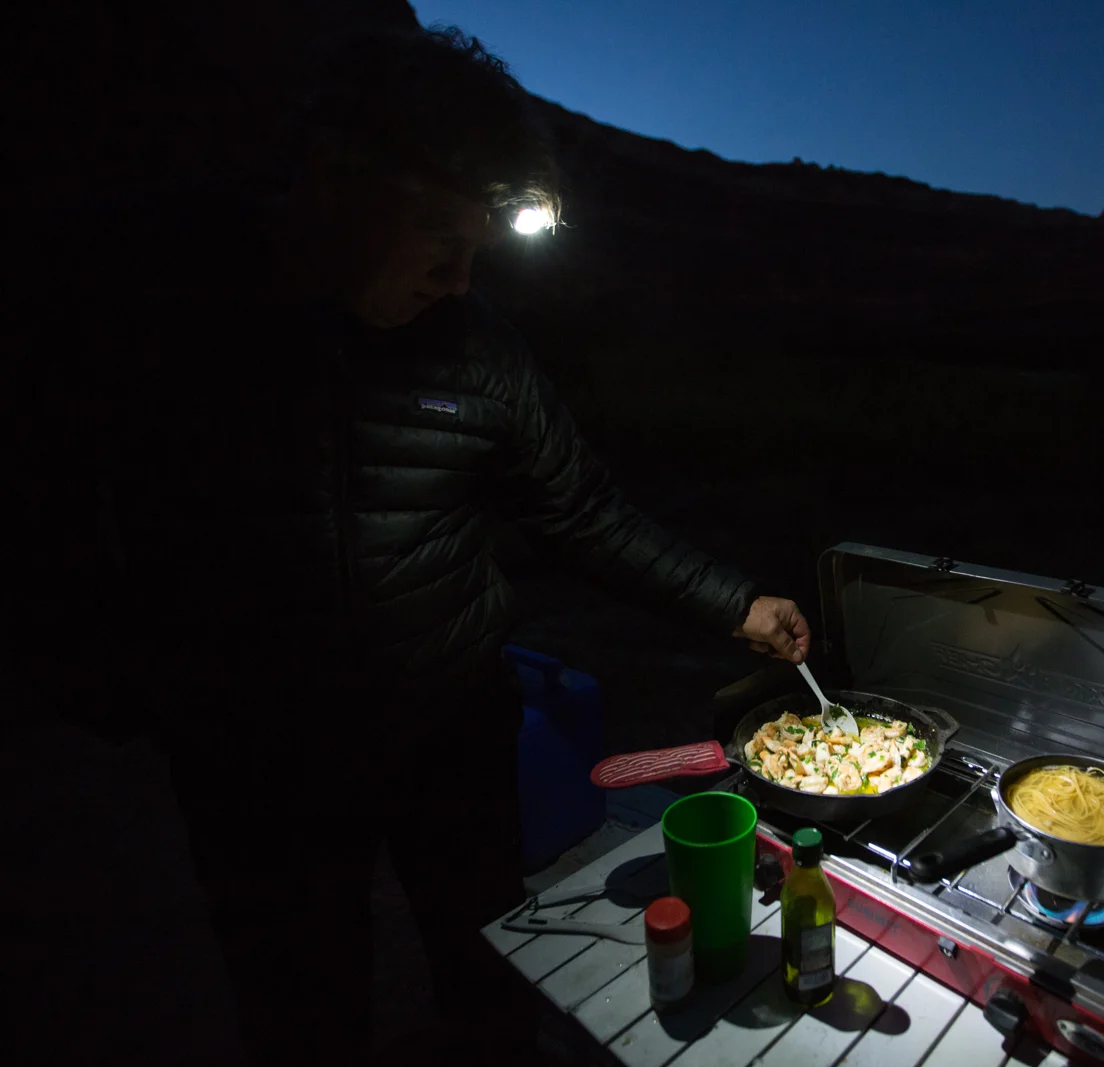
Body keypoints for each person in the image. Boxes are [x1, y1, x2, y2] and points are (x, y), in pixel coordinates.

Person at [41, 24, 813, 1066]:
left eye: (478, 254)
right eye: (439, 245)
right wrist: (107, 673)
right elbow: (40, 490)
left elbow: (579, 509)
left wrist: (734, 601)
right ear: (337, 183)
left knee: (490, 961)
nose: (458, 280)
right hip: (252, 757)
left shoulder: (478, 344)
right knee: (299, 997)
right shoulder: (154, 289)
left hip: (448, 734)